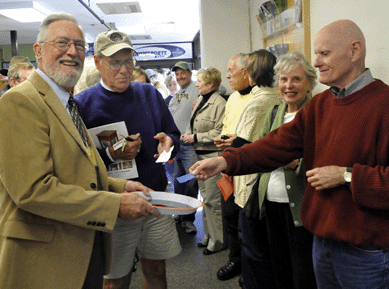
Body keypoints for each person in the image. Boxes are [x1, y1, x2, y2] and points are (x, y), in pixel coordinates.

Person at [191, 20, 389, 289]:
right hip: (322, 243)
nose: (316, 62)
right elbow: (276, 144)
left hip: (366, 253)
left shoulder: (383, 104)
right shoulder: (321, 104)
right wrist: (226, 160)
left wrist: (346, 175)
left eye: (324, 54)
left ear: (354, 51)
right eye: (316, 54)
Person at [0, 12, 159, 289]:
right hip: (46, 258)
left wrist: (119, 187)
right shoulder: (20, 102)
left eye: (79, 45)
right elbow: (33, 190)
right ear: (38, 51)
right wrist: (115, 204)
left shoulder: (66, 100)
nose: (72, 51)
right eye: (61, 43)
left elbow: (79, 169)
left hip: (80, 242)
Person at [75, 30, 182, 289]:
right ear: (98, 62)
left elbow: (173, 135)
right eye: (115, 62)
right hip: (116, 204)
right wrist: (111, 154)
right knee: (114, 279)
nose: (124, 70)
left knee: (156, 271)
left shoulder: (149, 94)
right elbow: (78, 162)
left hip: (156, 197)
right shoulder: (82, 104)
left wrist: (169, 145)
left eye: (128, 61)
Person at [240, 51, 317, 289]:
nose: (288, 85)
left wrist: (297, 162)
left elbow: (324, 157)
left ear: (309, 83)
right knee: (278, 268)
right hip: (270, 203)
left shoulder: (316, 113)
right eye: (283, 80)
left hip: (302, 208)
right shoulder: (275, 112)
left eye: (296, 79)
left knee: (303, 273)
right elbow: (264, 148)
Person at [228, 49, 281, 288]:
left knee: (252, 246)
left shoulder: (258, 102)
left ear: (252, 74)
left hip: (250, 183)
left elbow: (244, 146)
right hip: (263, 182)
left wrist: (230, 147)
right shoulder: (275, 97)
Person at [213, 53, 255, 281]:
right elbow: (226, 125)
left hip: (248, 168)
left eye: (231, 71)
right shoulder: (232, 98)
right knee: (229, 216)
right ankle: (235, 259)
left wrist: (236, 139)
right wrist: (222, 139)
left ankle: (248, 267)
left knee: (246, 221)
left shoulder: (259, 98)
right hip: (228, 165)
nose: (227, 76)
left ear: (246, 73)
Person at [181, 67, 226, 255]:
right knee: (205, 199)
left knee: (214, 202)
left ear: (211, 84)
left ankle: (217, 241)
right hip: (200, 155)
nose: (197, 84)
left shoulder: (220, 103)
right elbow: (194, 123)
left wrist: (196, 137)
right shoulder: (200, 100)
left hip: (212, 156)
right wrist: (189, 135)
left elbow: (220, 131)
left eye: (200, 81)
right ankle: (208, 236)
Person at [168, 61, 199, 234]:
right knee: (179, 180)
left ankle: (189, 219)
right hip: (176, 145)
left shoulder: (196, 88)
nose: (180, 77)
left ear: (190, 74)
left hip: (189, 145)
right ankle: (180, 213)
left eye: (183, 73)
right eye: (177, 74)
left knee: (190, 181)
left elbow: (220, 89)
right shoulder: (176, 95)